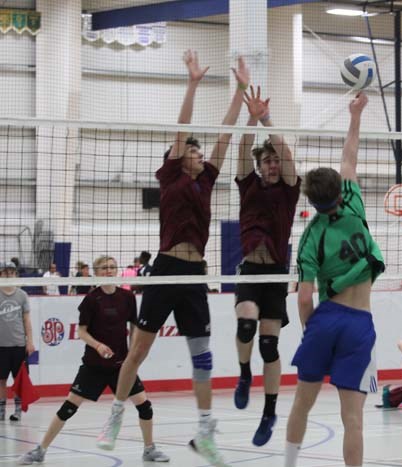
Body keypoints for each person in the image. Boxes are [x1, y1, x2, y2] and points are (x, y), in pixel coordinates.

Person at [96, 50, 250, 466]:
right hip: (165, 269)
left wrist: (239, 89)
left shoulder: (207, 180)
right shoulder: (171, 176)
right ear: (181, 157)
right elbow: (182, 130)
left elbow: (226, 134)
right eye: (192, 153)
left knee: (202, 355)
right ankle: (113, 417)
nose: (199, 156)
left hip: (195, 272)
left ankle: (205, 431)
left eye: (201, 155)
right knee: (138, 352)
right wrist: (193, 82)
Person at [285, 92, 384, 467]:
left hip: (326, 319)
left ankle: (289, 464)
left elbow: (304, 297)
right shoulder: (355, 204)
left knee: (303, 402)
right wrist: (355, 114)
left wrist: (314, 327)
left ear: (312, 202)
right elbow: (350, 155)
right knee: (353, 420)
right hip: (360, 322)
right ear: (339, 193)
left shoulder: (310, 237)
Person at [19, 256, 169, 464]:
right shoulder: (91, 299)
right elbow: (81, 332)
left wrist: (135, 352)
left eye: (112, 267)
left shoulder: (127, 297)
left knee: (145, 406)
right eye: (104, 267)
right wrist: (97, 345)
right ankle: (39, 450)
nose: (109, 270)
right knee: (68, 408)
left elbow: (134, 327)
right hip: (94, 365)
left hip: (121, 366)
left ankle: (149, 449)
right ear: (97, 272)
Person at [232, 84, 300, 447]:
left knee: (270, 347)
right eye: (267, 161)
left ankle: (269, 412)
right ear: (259, 167)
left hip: (275, 272)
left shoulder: (289, 190)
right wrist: (251, 118)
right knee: (246, 324)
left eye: (275, 161)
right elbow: (242, 150)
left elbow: (287, 155)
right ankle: (244, 374)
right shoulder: (248, 186)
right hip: (249, 268)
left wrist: (269, 119)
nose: (273, 164)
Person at [0, 261, 34, 422]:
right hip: (1, 346)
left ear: (15, 274)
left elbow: (27, 320)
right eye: (5, 272)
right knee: (1, 380)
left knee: (19, 380)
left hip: (19, 345)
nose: (9, 275)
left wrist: (30, 341)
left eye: (11, 272)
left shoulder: (22, 295)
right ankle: (1, 410)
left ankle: (18, 410)